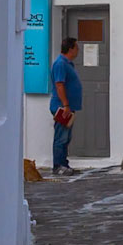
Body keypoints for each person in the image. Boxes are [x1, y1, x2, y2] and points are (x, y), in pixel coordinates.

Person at [49, 35, 83, 174]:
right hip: (62, 107)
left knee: (66, 137)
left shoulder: (68, 63)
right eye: (76, 48)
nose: (78, 51)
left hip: (68, 107)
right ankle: (58, 166)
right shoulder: (60, 64)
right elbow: (59, 84)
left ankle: (64, 163)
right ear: (70, 49)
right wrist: (66, 105)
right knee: (61, 137)